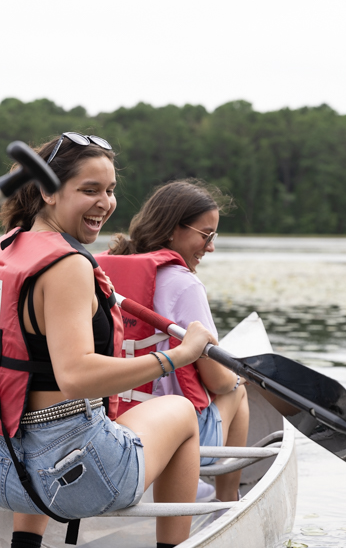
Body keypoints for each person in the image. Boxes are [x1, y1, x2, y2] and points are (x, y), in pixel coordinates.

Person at [0, 133, 216, 548]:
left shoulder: (4, 250)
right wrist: (178, 356)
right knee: (182, 412)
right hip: (73, 478)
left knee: (39, 412)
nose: (106, 203)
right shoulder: (67, 265)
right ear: (47, 191)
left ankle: (24, 544)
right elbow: (76, 375)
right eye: (90, 190)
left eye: (111, 190)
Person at [98, 179, 249, 505]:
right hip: (176, 434)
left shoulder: (99, 270)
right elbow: (216, 380)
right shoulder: (184, 285)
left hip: (107, 424)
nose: (210, 247)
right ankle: (227, 503)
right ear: (171, 230)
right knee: (238, 388)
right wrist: (237, 375)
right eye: (206, 235)